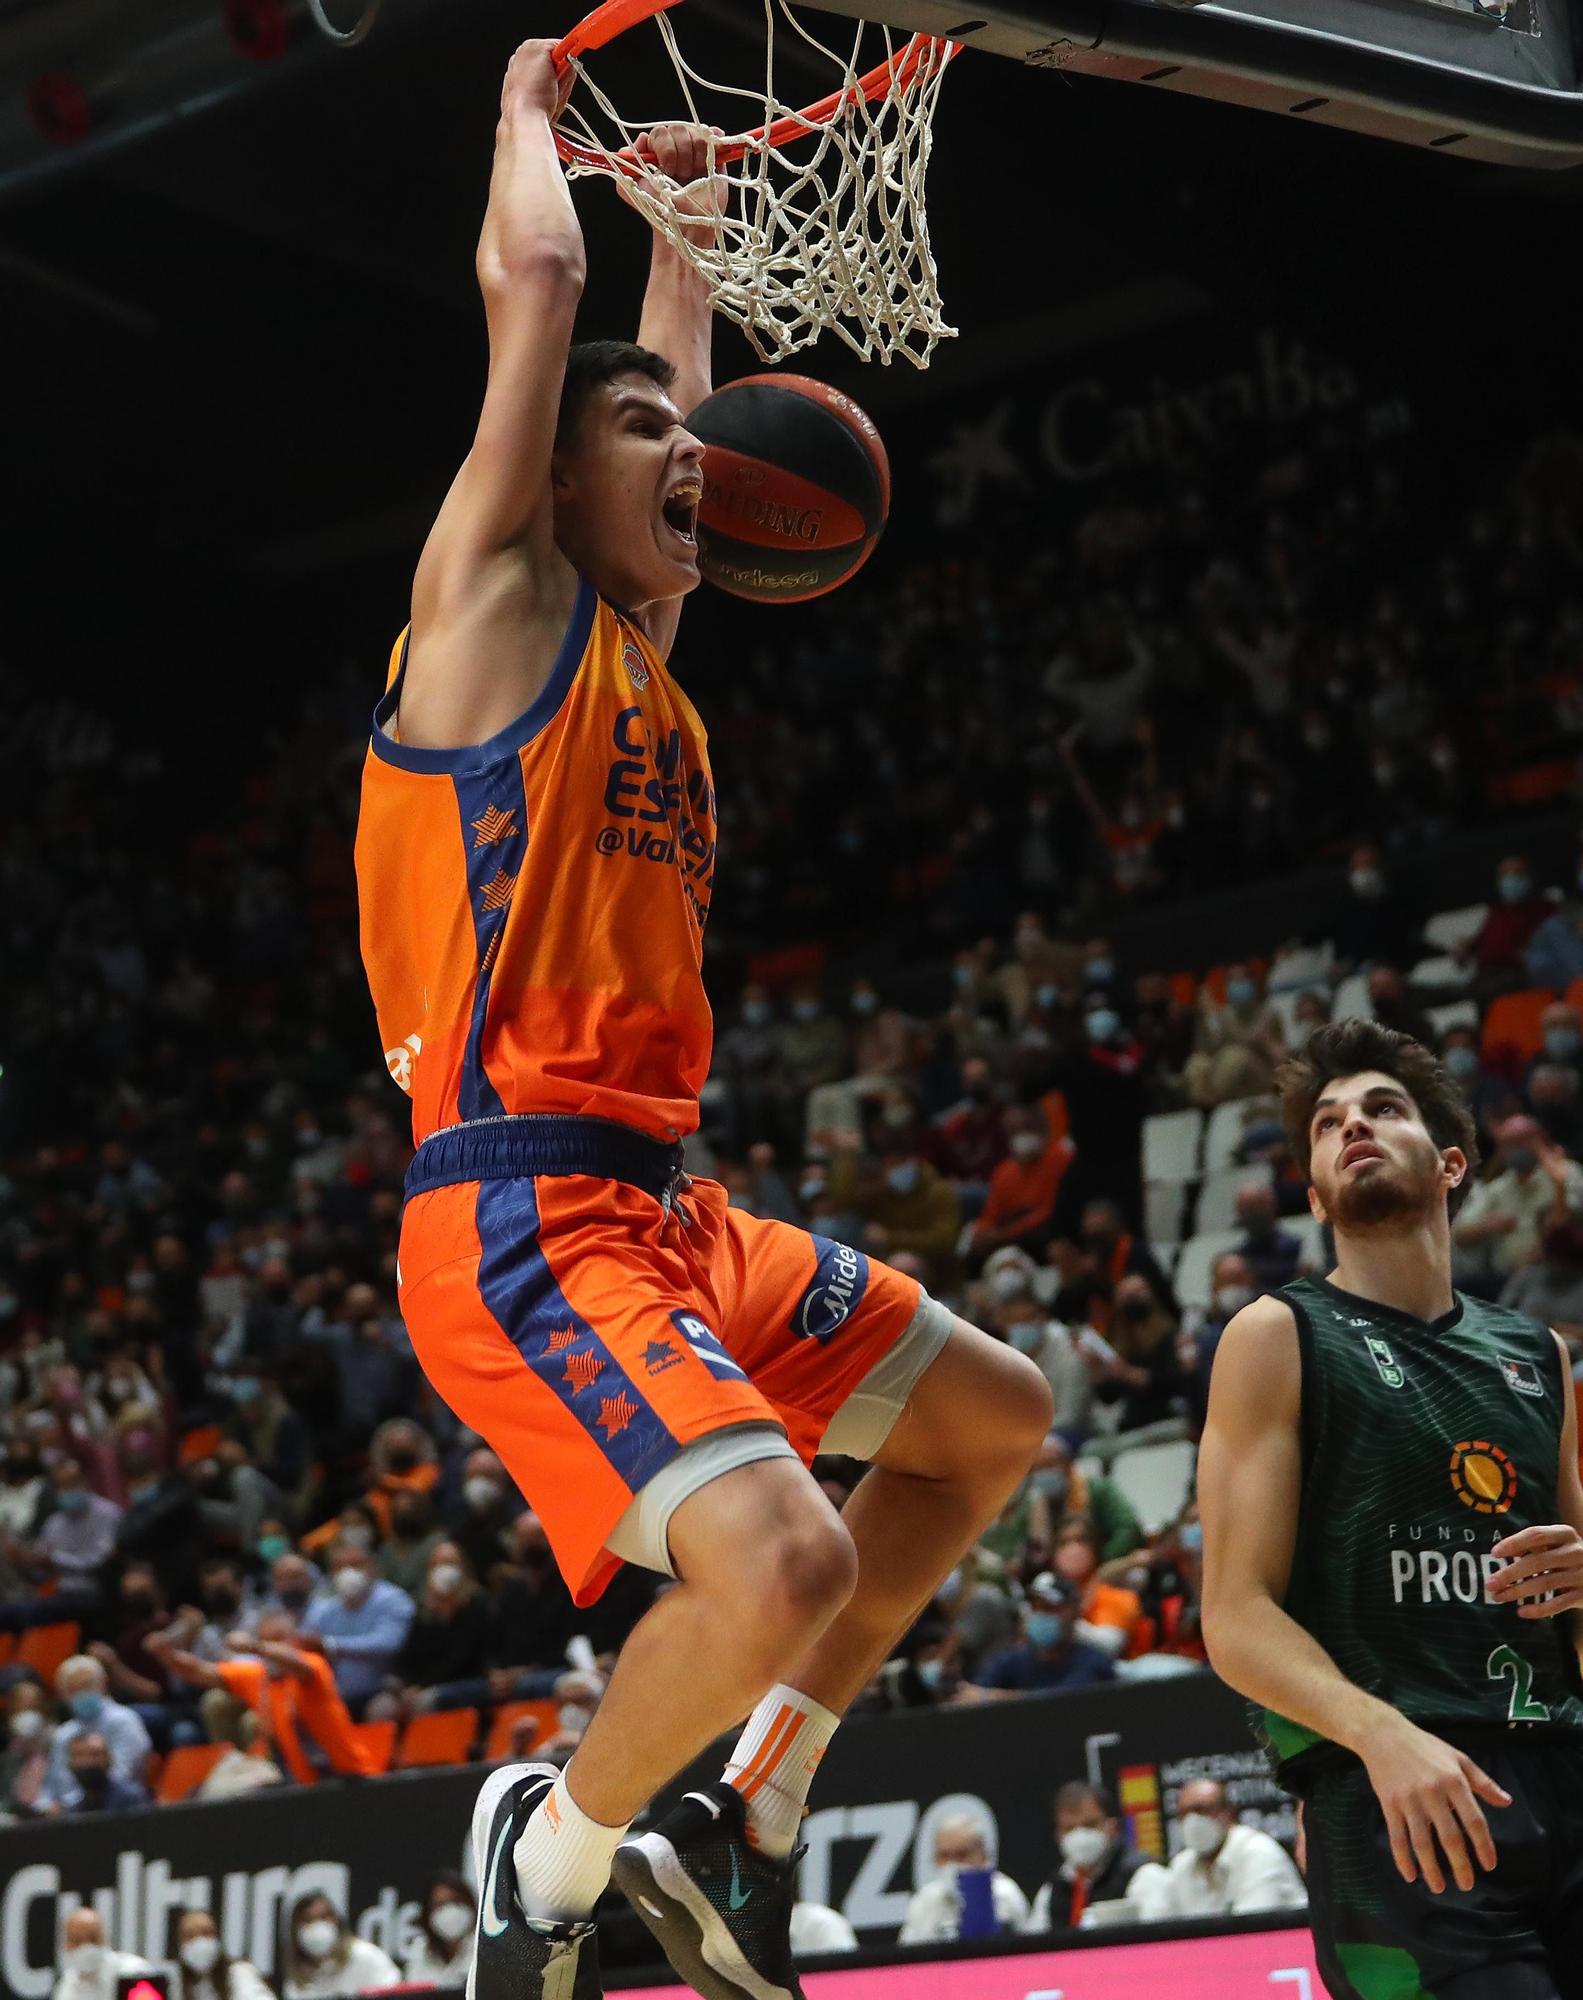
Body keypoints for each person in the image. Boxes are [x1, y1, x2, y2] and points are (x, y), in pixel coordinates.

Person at [353, 46, 1051, 2000]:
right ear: (545, 477)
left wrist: (684, 235)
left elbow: (660, 393)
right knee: (786, 1559)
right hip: (519, 1220)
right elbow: (540, 309)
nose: (690, 452)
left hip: (675, 1213)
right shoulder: (491, 606)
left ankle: (747, 1811)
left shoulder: (636, 655)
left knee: (990, 1426)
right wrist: (528, 119)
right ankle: (550, 1868)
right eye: (642, 434)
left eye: (690, 430)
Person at [1199, 1018, 1583, 1999]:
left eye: (1381, 1107)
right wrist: (1377, 1735)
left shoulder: (1539, 1355)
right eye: (1326, 1124)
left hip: (1561, 1769)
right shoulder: (1276, 1333)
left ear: (1450, 1161)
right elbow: (1234, 1614)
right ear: (1316, 1188)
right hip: (1399, 1802)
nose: (1350, 1126)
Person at [1452, 1113, 1583, 1298]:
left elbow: (1569, 1228)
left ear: (1539, 1139)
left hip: (1554, 1274)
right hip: (1504, 1276)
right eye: (1507, 1144)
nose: (1514, 1150)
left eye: (1520, 1141)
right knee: (1458, 1293)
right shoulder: (1499, 1188)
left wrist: (1559, 1186)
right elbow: (1460, 1235)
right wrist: (1489, 1225)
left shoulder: (1565, 1174)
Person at [1025, 1780, 1172, 1931]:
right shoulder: (1052, 1891)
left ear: (1112, 1826)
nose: (1080, 1835)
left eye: (1090, 1825)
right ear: (1058, 1835)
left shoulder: (1145, 1875)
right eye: (1069, 1828)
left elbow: (1159, 1939)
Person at [1160, 1778, 1306, 1916]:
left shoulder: (1259, 1852)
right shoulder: (1181, 1865)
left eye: (1202, 1810)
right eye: (1183, 1814)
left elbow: (1252, 1930)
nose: (1192, 1820)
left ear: (1228, 1812)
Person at [969, 1572, 1117, 1695]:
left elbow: (1060, 1704)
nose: (1041, 1615)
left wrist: (997, 1698)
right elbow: (973, 1695)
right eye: (1035, 1608)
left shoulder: (1094, 1663)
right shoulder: (1015, 1659)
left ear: (1074, 1612)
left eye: (1049, 1608)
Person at [37, 1654, 152, 1811]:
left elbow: (120, 1775)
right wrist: (44, 1806)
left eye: (86, 1685)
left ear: (103, 1684)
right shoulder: (64, 1734)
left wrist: (71, 1806)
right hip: (69, 1813)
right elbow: (53, 1783)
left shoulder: (124, 1721)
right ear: (63, 1695)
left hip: (117, 1807)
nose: (81, 1693)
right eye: (73, 1689)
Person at [896, 1813, 1030, 1944]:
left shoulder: (1006, 1896)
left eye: (962, 1855)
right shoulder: (924, 1902)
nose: (952, 1864)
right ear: (935, 1859)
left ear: (983, 1856)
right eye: (944, 1856)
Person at [279, 1893, 399, 2000]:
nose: (317, 1926)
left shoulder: (365, 1957)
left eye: (324, 1917)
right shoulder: (296, 1981)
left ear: (336, 1921)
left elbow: (394, 1993)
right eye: (308, 1920)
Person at [170, 1909, 275, 2000]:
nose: (199, 1940)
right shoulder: (177, 1983)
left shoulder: (240, 1973)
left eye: (206, 1933)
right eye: (190, 1935)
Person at [52, 1909, 150, 2000]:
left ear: (105, 1938)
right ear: (66, 1944)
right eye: (78, 1940)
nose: (86, 1947)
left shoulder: (134, 1972)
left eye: (93, 1938)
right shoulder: (67, 1984)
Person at [402, 1872, 477, 1990]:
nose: (449, 1911)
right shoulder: (420, 1950)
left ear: (470, 1904)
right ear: (428, 1914)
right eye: (439, 1905)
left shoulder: (484, 1947)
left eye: (456, 1901)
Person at [55, 1727, 150, 1814]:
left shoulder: (130, 1798)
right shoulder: (74, 1809)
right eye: (79, 1756)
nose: (88, 1762)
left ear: (109, 1759)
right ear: (69, 1763)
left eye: (95, 1755)